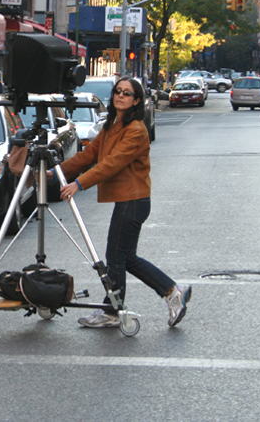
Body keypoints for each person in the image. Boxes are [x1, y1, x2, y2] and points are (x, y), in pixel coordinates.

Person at [47, 76, 191, 329]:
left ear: (136, 100)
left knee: (116, 257)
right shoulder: (112, 125)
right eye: (118, 92)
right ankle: (170, 290)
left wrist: (78, 184)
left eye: (127, 93)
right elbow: (89, 155)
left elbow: (111, 163)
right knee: (124, 257)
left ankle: (115, 309)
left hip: (133, 201)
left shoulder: (135, 130)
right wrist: (57, 171)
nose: (120, 96)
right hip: (128, 200)